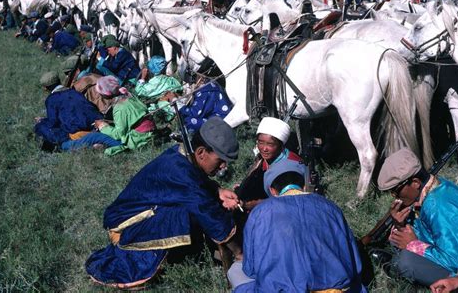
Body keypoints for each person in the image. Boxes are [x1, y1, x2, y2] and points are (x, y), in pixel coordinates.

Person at [85, 117, 242, 289]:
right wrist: (239, 253)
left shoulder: (183, 155)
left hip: (139, 211)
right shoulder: (180, 171)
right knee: (187, 215)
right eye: (220, 161)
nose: (223, 167)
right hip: (126, 226)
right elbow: (207, 209)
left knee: (198, 206)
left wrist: (217, 191)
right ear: (201, 152)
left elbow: (195, 184)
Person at [227, 160, 366, 292]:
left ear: (272, 191)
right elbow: (353, 262)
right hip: (334, 290)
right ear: (304, 186)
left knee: (235, 270)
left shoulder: (260, 212)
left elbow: (251, 268)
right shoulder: (330, 207)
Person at [377, 148, 458, 286]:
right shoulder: (428, 191)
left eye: (396, 191)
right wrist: (401, 226)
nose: (394, 197)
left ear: (416, 183)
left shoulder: (438, 206)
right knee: (397, 239)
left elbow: (456, 261)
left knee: (407, 262)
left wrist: (414, 245)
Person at [62, 76, 154, 155]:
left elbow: (118, 135)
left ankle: (64, 146)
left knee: (94, 137)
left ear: (106, 94)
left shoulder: (120, 107)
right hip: (149, 132)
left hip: (138, 139)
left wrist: (102, 126)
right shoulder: (130, 96)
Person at [235, 116, 307, 211]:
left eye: (270, 144)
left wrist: (251, 204)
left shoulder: (289, 168)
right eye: (261, 142)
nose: (264, 149)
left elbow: (285, 201)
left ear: (281, 146)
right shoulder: (267, 158)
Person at [34, 71, 103, 152]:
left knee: (40, 127)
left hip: (74, 128)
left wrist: (42, 121)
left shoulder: (51, 99)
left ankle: (66, 146)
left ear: (45, 88)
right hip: (94, 123)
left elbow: (53, 122)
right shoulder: (75, 92)